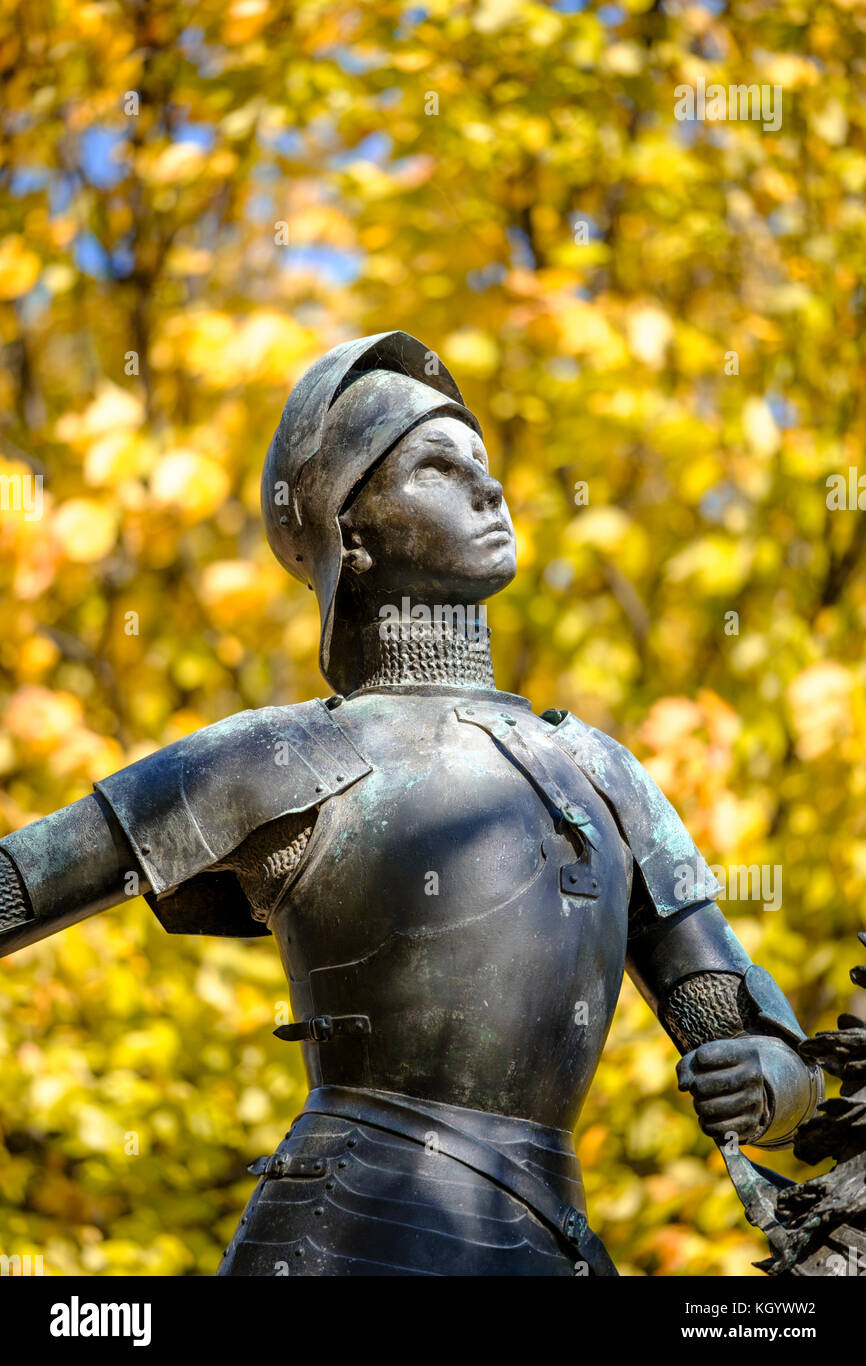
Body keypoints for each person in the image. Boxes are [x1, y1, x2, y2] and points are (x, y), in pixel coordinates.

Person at [0, 332, 822, 1276]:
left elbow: (767, 1044)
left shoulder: (601, 770)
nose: (490, 489)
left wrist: (766, 1080)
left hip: (550, 1245)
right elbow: (20, 882)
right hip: (346, 1239)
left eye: (485, 463)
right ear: (352, 529)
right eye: (438, 465)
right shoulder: (280, 752)